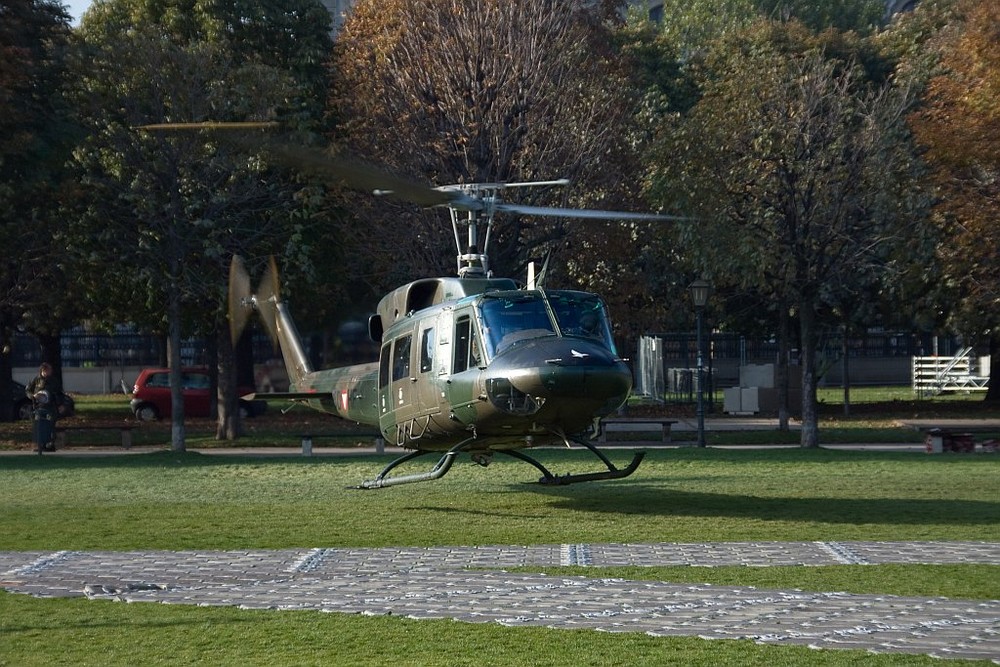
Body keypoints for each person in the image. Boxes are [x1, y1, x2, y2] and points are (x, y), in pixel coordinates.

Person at [26, 362, 61, 453]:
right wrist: (33, 396)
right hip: (39, 407)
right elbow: (28, 390)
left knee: (50, 425)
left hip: (50, 407)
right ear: (43, 370)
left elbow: (58, 392)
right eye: (48, 370)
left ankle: (50, 444)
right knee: (39, 425)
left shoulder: (53, 380)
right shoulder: (36, 380)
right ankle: (40, 445)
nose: (50, 372)